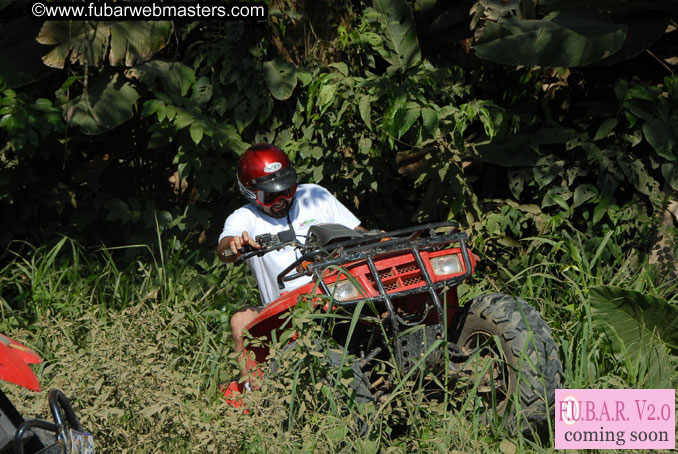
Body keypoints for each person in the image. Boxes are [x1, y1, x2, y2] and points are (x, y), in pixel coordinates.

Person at [217, 143, 365, 382]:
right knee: (240, 321)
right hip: (285, 311)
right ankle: (256, 402)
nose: (281, 200)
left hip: (336, 292)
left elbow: (360, 234)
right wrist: (232, 246)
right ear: (249, 192)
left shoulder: (314, 196)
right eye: (270, 195)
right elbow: (224, 249)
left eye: (287, 190)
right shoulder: (245, 217)